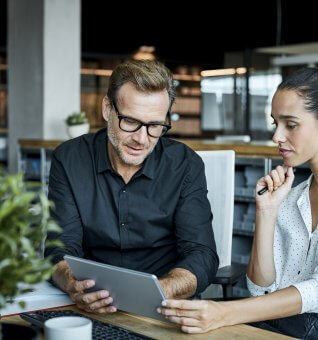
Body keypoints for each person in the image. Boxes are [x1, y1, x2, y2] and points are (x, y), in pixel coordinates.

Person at [158, 67, 318, 339]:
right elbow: (260, 289)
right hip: (282, 321)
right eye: (275, 124)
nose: (277, 137)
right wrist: (266, 212)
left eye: (290, 125)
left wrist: (223, 313)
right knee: (177, 329)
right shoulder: (292, 196)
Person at [45, 60, 219, 314]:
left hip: (163, 307)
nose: (141, 139)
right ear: (107, 108)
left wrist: (158, 291)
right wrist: (73, 284)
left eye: (155, 126)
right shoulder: (69, 159)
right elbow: (59, 248)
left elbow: (201, 255)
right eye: (129, 121)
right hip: (90, 304)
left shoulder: (185, 165)